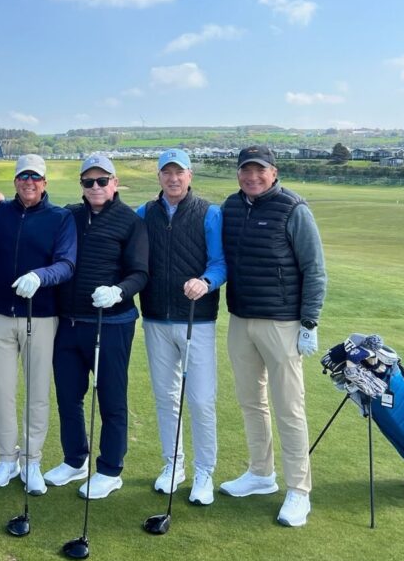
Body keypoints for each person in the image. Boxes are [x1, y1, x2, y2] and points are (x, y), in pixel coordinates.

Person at [219, 145, 327, 527]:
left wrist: (309, 323)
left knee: (289, 407)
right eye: (245, 170)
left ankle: (299, 489)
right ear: (238, 174)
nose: (252, 177)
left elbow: (315, 269)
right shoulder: (231, 207)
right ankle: (260, 473)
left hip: (282, 323)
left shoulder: (293, 209)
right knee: (251, 401)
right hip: (240, 319)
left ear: (274, 172)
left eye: (259, 170)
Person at [44, 154, 147, 499]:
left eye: (102, 180)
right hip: (69, 322)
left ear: (114, 183)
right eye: (89, 182)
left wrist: (119, 291)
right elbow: (36, 213)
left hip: (111, 324)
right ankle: (75, 460)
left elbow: (140, 273)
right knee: (68, 396)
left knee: (111, 399)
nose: (96, 187)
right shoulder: (70, 216)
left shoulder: (130, 221)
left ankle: (110, 470)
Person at [137, 149, 226, 506]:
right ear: (159, 176)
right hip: (156, 318)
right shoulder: (144, 213)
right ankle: (174, 464)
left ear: (190, 175)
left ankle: (205, 471)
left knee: (201, 400)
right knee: (166, 398)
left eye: (179, 172)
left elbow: (220, 263)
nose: (173, 179)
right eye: (166, 173)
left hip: (196, 318)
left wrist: (205, 281)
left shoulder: (209, 213)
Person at [0, 154, 76, 492]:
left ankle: (32, 460)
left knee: (37, 392)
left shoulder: (60, 218)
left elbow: (66, 264)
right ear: (15, 181)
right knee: (1, 390)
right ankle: (6, 459)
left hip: (41, 316)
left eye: (35, 177)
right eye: (23, 176)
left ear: (45, 182)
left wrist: (40, 276)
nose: (29, 182)